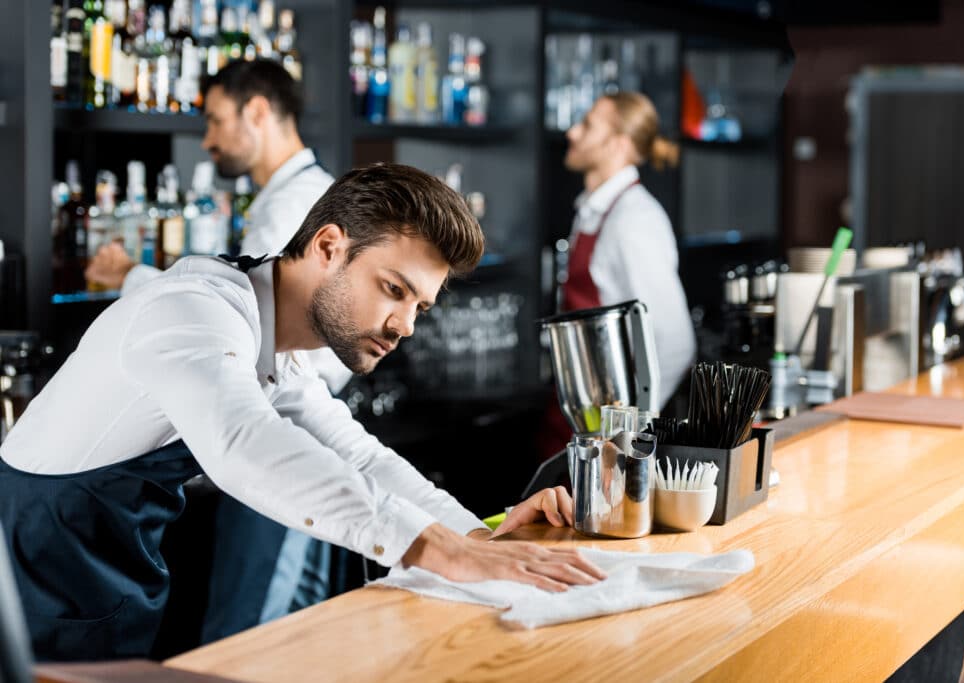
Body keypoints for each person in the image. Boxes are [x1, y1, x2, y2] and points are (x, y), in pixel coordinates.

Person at [0, 163, 604, 662]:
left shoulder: (272, 346)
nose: (406, 326)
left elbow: (358, 453)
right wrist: (441, 552)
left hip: (103, 571)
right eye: (394, 289)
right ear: (327, 246)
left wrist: (478, 536)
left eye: (420, 305)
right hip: (44, 575)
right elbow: (243, 444)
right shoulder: (195, 312)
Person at [87, 59, 352, 641]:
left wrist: (131, 274)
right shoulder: (293, 198)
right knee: (275, 622)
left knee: (253, 629)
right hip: (281, 425)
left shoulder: (294, 210)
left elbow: (225, 322)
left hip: (285, 430)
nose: (206, 138)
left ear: (257, 111)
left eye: (214, 119)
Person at [539, 92, 696, 459]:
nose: (573, 132)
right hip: (574, 416)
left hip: (602, 437)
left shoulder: (633, 220)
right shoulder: (595, 207)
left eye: (589, 125)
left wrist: (626, 435)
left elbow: (676, 342)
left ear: (620, 144)